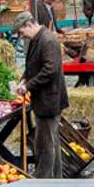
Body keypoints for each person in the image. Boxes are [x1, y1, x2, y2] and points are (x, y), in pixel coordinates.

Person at [15, 14, 67, 176]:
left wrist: (28, 86)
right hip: (44, 99)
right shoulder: (36, 40)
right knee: (50, 141)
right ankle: (56, 179)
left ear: (30, 24)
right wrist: (24, 79)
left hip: (49, 100)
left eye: (22, 32)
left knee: (45, 144)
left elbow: (49, 70)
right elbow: (33, 65)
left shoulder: (48, 41)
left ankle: (43, 181)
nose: (22, 36)